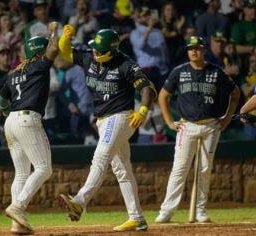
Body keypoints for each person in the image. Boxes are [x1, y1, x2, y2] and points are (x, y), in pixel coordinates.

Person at [57, 26, 156, 232]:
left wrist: (143, 109)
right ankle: (136, 218)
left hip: (121, 116)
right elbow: (65, 52)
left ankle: (79, 202)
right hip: (102, 120)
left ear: (111, 50)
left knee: (100, 156)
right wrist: (64, 38)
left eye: (99, 50)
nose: (95, 52)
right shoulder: (89, 58)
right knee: (122, 170)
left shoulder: (126, 64)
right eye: (94, 48)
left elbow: (147, 88)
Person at [155, 36, 240, 223]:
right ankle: (166, 211)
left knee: (204, 169)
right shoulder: (179, 72)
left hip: (211, 126)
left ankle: (201, 210)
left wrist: (226, 119)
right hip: (187, 125)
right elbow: (162, 96)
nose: (194, 51)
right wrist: (169, 122)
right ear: (187, 51)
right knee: (179, 168)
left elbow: (235, 94)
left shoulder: (217, 72)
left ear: (204, 50)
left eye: (198, 48)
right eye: (191, 48)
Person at [0, 22, 59, 234]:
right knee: (44, 168)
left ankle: (18, 223)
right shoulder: (38, 65)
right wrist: (54, 30)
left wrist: (9, 115)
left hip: (11, 121)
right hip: (27, 119)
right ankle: (18, 206)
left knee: (22, 173)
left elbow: (1, 100)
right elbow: (54, 49)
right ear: (39, 52)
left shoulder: (14, 73)